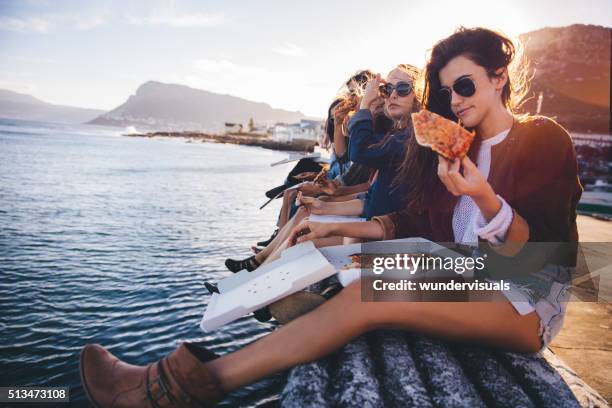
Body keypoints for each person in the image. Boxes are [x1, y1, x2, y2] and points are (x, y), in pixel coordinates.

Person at [79, 27, 582, 408]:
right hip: (467, 270)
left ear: (500, 78)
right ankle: (284, 317)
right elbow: (415, 223)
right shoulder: (451, 145)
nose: (456, 100)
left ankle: (177, 387)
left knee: (367, 298)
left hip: (526, 300)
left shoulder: (542, 138)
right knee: (338, 260)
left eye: (467, 85)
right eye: (448, 90)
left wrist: (486, 199)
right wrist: (334, 226)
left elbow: (543, 256)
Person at [225, 64, 419, 273]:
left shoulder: (407, 140)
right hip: (372, 225)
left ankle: (257, 274)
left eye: (403, 89)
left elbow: (356, 153)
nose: (392, 96)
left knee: (301, 238)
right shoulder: (395, 136)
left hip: (384, 235)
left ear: (419, 96)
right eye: (386, 90)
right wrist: (324, 205)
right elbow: (370, 195)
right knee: (304, 212)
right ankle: (258, 267)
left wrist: (364, 109)